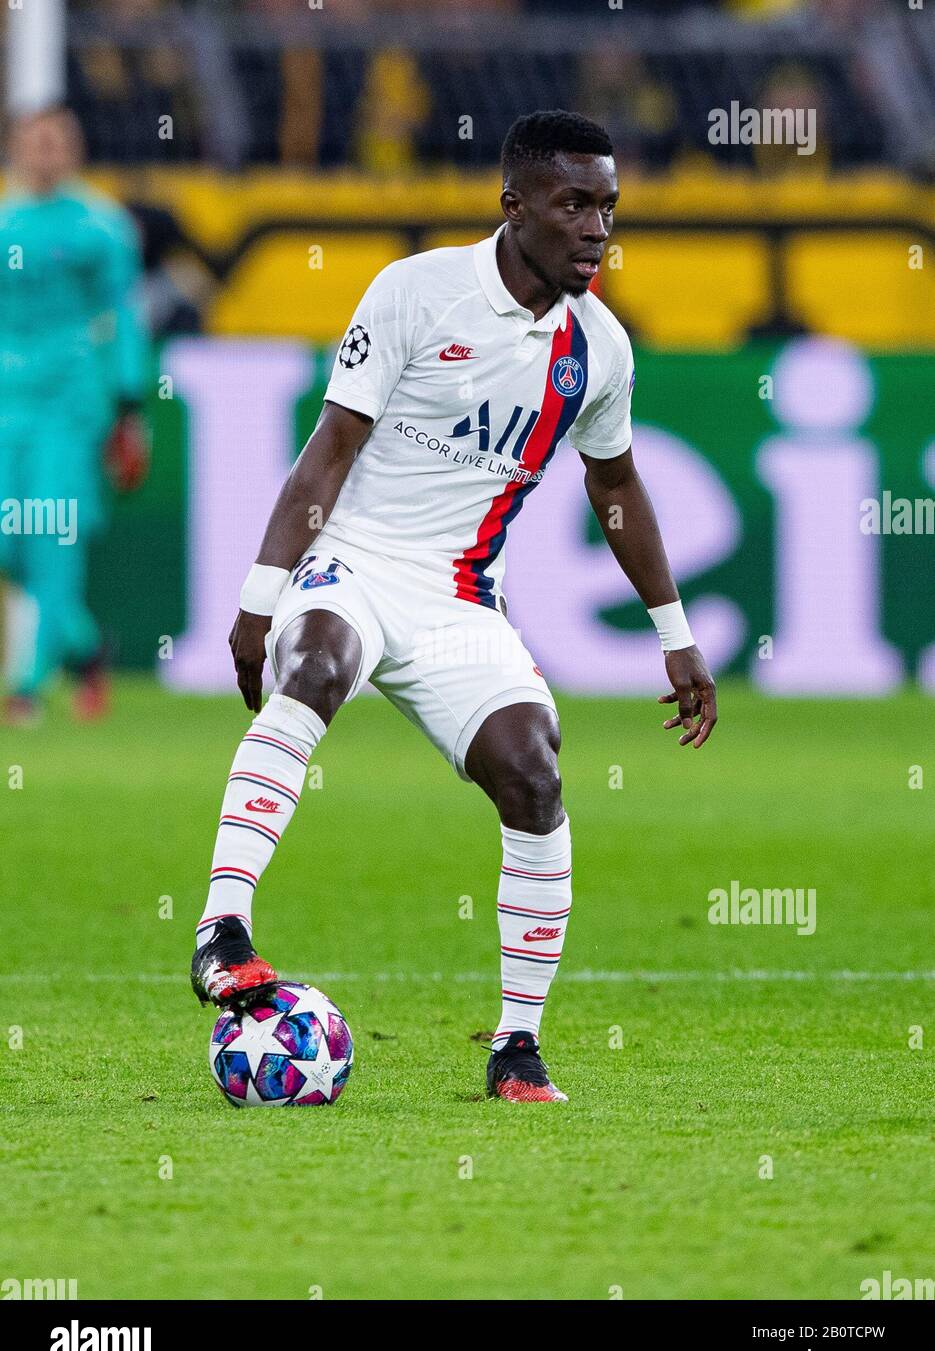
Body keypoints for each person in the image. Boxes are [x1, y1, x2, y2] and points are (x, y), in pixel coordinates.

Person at [190, 110, 717, 1103]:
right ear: (512, 206)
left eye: (606, 206)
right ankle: (221, 932)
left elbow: (615, 489)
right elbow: (328, 452)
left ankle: (516, 1046)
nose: (596, 228)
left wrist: (674, 634)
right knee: (313, 667)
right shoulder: (416, 291)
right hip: (353, 559)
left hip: (459, 600)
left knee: (532, 770)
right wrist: (261, 601)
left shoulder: (596, 348)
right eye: (573, 204)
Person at [0, 106, 149, 723]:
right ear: (15, 148)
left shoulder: (101, 225)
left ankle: (26, 687)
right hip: (7, 404)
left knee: (50, 537)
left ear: (74, 149)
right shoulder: (4, 221)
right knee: (11, 545)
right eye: (35, 141)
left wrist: (130, 404)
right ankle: (87, 649)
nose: (45, 152)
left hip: (69, 405)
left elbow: (124, 317)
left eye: (56, 141)